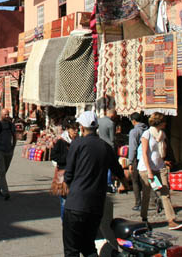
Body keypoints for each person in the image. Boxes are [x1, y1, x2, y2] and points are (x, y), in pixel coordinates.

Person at [63, 111, 127, 257]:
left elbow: (69, 172)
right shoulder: (105, 147)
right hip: (95, 205)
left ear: (82, 127)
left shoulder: (77, 144)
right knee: (89, 247)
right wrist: (124, 183)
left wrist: (66, 185)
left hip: (76, 204)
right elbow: (117, 169)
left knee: (71, 249)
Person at [138, 113, 182, 230]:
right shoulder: (146, 134)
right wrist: (149, 171)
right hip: (146, 168)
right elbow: (144, 154)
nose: (166, 124)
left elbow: (163, 151)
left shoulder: (162, 135)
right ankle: (144, 217)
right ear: (159, 123)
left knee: (165, 193)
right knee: (146, 194)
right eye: (164, 121)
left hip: (160, 167)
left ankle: (171, 220)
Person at [50, 117, 79, 218]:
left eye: (77, 128)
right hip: (63, 173)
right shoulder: (61, 141)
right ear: (67, 129)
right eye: (73, 129)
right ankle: (65, 221)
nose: (75, 131)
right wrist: (67, 159)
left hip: (76, 174)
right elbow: (53, 156)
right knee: (64, 199)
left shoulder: (79, 141)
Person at [127, 112, 149, 211]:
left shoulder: (134, 132)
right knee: (147, 180)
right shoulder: (147, 129)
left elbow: (133, 148)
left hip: (137, 159)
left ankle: (138, 203)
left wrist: (130, 162)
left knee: (135, 181)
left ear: (133, 121)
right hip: (147, 158)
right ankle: (153, 201)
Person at [98, 107, 117, 192]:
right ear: (112, 114)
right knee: (109, 166)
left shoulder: (99, 121)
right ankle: (108, 183)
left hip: (99, 146)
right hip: (108, 146)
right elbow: (112, 138)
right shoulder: (111, 123)